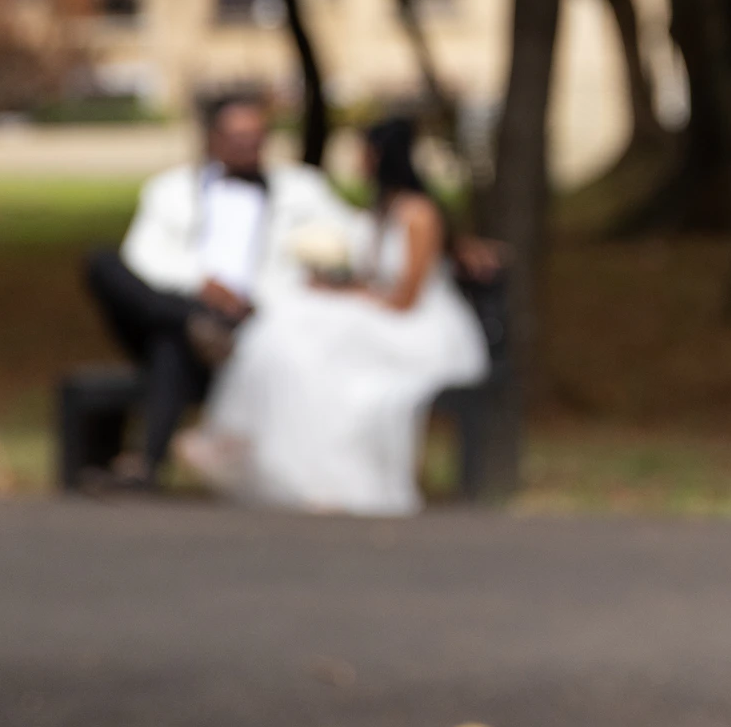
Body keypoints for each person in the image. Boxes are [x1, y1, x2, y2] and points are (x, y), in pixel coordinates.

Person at [179, 116, 490, 516]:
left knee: (317, 337)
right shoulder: (382, 210)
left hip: (421, 329)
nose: (358, 161)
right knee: (295, 324)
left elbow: (405, 298)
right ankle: (257, 447)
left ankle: (269, 449)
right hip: (385, 314)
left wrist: (350, 295)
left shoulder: (418, 214)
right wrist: (337, 287)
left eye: (363, 153)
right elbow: (374, 279)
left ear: (380, 157)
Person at [84, 90, 336, 486]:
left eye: (256, 136)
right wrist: (201, 285)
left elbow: (348, 236)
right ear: (214, 139)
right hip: (181, 303)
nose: (248, 146)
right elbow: (143, 256)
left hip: (249, 320)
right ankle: (191, 321)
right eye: (238, 136)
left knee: (171, 342)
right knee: (103, 263)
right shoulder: (169, 190)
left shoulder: (301, 190)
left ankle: (146, 465)